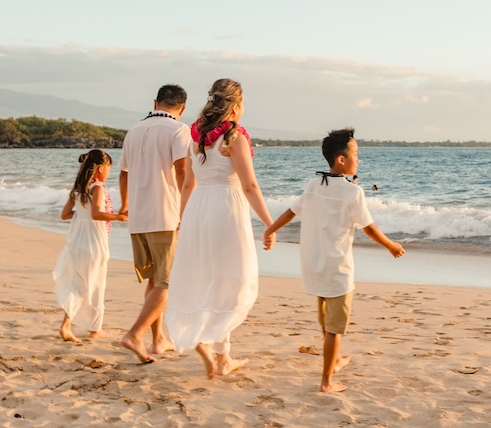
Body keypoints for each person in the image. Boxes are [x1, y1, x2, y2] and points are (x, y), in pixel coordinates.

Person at [264, 127, 404, 393]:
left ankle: (335, 359)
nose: (358, 160)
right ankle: (327, 381)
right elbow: (369, 227)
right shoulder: (354, 192)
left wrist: (270, 230)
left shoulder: (314, 184)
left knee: (327, 322)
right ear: (341, 160)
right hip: (338, 270)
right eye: (356, 154)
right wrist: (391, 245)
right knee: (335, 329)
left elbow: (291, 212)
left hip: (314, 266)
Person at [165, 78, 275, 380]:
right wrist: (270, 223)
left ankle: (222, 356)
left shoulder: (196, 136)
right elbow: (250, 185)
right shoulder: (233, 138)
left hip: (198, 209)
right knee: (235, 278)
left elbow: (188, 183)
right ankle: (211, 338)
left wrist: (183, 221)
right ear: (236, 106)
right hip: (226, 208)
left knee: (209, 276)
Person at [118, 84, 191, 363]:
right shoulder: (178, 130)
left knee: (154, 280)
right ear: (182, 108)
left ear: (155, 102)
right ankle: (135, 334)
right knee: (167, 282)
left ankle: (158, 340)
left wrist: (125, 204)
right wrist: (188, 210)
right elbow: (183, 171)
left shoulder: (134, 130)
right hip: (166, 214)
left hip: (139, 216)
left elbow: (123, 175)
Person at [53, 149, 127, 342]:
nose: (109, 173)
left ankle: (72, 325)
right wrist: (119, 217)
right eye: (109, 169)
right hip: (94, 241)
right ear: (101, 169)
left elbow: (65, 215)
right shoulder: (98, 189)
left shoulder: (77, 190)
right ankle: (89, 329)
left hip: (77, 241)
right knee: (95, 283)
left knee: (79, 282)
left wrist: (81, 216)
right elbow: (96, 214)